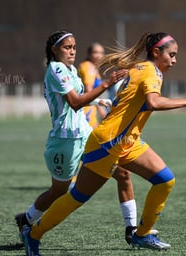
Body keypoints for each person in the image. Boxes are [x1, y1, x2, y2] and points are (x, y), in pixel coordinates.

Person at [22, 32, 186, 256]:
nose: (174, 60)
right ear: (156, 53)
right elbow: (153, 102)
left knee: (165, 180)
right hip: (107, 143)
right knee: (77, 197)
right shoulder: (149, 71)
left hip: (127, 142)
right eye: (172, 55)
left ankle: (141, 234)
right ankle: (33, 233)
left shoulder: (143, 68)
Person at [14, 30, 130, 244]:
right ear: (54, 49)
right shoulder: (56, 69)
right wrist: (105, 84)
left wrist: (97, 102)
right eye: (67, 47)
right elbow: (75, 102)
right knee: (59, 191)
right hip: (65, 141)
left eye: (74, 47)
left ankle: (132, 230)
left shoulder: (71, 69)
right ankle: (27, 220)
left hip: (85, 133)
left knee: (122, 173)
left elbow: (78, 100)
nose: (72, 51)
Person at [78, 42, 149, 243]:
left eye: (102, 52)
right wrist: (99, 107)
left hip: (94, 123)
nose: (99, 56)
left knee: (122, 175)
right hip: (86, 124)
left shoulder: (92, 69)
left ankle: (131, 229)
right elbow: (86, 92)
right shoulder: (86, 69)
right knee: (68, 192)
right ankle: (32, 223)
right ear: (89, 53)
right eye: (96, 52)